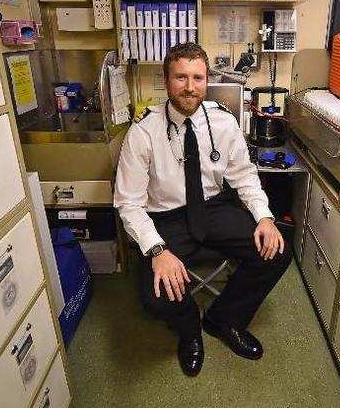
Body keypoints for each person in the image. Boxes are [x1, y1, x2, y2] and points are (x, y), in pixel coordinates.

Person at [114, 42, 292, 377]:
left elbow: (243, 175)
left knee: (277, 251)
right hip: (165, 217)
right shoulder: (142, 133)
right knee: (154, 296)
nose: (190, 86)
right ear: (166, 81)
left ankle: (223, 319)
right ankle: (189, 327)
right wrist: (156, 250)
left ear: (206, 80)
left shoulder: (223, 123)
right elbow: (129, 204)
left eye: (197, 77)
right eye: (180, 77)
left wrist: (265, 218)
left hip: (213, 207)